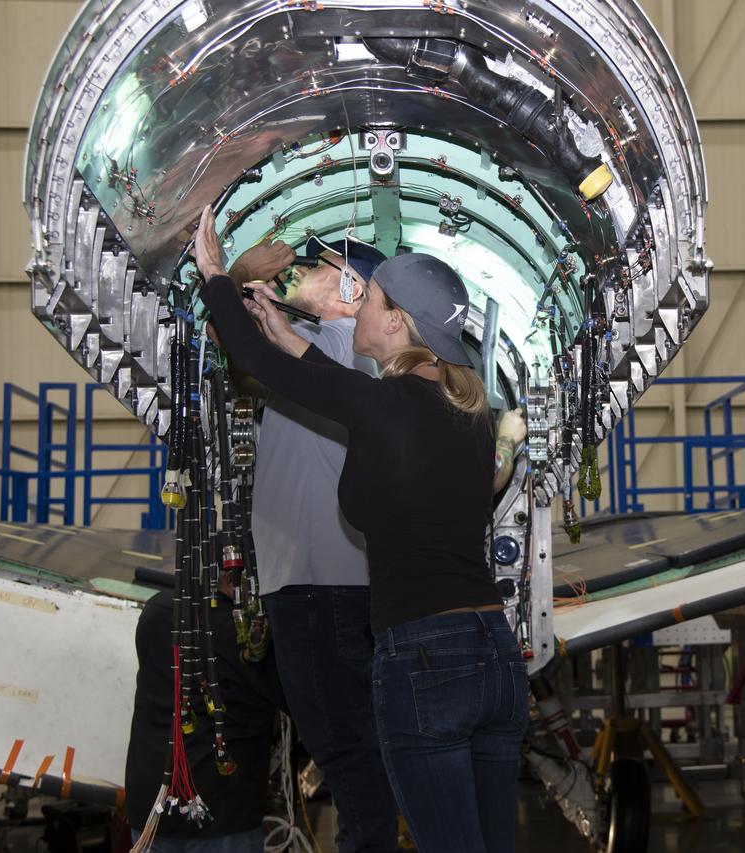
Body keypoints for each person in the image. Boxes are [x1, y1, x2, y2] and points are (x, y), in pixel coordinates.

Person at [195, 206, 529, 853]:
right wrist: (284, 334)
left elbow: (272, 366)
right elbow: (328, 382)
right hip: (493, 651)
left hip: (425, 655)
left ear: (397, 322)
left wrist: (215, 272)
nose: (357, 303)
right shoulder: (469, 412)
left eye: (370, 297)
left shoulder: (381, 407)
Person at [228, 234, 402, 853]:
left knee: (344, 748)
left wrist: (232, 279)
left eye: (318, 266)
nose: (297, 271)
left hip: (315, 582)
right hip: (319, 580)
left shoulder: (337, 349)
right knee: (351, 742)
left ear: (353, 291)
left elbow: (243, 358)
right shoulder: (331, 354)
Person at [124, 570, 285, 852]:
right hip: (221, 817)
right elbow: (296, 697)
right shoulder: (244, 636)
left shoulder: (157, 610)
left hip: (151, 810)